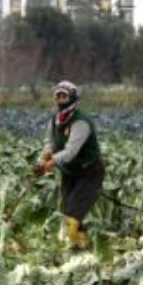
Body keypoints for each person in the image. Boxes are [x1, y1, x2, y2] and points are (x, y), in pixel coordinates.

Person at [36, 80, 105, 249]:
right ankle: (82, 246)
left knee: (72, 215)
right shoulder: (55, 120)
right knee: (68, 211)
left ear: (72, 98)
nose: (60, 100)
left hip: (89, 173)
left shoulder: (80, 122)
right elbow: (50, 142)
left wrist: (51, 163)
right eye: (58, 96)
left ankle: (73, 249)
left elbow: (70, 151)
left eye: (64, 96)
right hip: (69, 174)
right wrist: (45, 156)